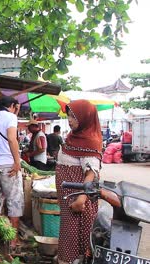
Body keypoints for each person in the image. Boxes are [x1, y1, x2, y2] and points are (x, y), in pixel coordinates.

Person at [55, 100, 102, 264]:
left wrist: (81, 199)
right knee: (68, 233)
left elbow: (91, 173)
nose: (69, 119)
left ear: (85, 118)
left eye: (74, 116)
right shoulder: (72, 137)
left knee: (77, 236)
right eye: (68, 115)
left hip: (78, 201)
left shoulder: (89, 141)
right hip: (69, 200)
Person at [0, 96, 23, 251]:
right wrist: (17, 162)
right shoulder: (11, 117)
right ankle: (13, 240)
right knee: (14, 200)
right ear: (13, 105)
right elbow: (12, 139)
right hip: (8, 164)